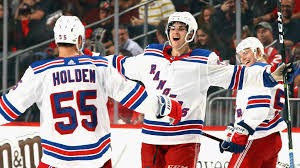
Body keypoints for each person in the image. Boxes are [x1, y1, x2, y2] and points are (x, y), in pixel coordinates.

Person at [107, 11, 288, 168]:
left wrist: (269, 76)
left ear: (191, 33)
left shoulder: (204, 61)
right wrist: (92, 60)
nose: (175, 31)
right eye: (172, 27)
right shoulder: (151, 55)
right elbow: (120, 64)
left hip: (184, 141)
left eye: (181, 28)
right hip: (151, 139)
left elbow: (237, 75)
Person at [0, 15, 183, 168]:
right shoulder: (100, 66)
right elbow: (135, 97)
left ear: (56, 40)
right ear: (80, 40)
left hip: (57, 159)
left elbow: (7, 110)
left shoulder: (39, 71)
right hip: (97, 159)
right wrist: (167, 106)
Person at [219, 37, 287, 168]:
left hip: (255, 138)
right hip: (273, 138)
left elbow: (258, 108)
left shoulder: (255, 72)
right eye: (240, 55)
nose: (242, 58)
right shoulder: (271, 73)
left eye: (246, 52)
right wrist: (233, 131)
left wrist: (239, 135)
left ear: (259, 52)